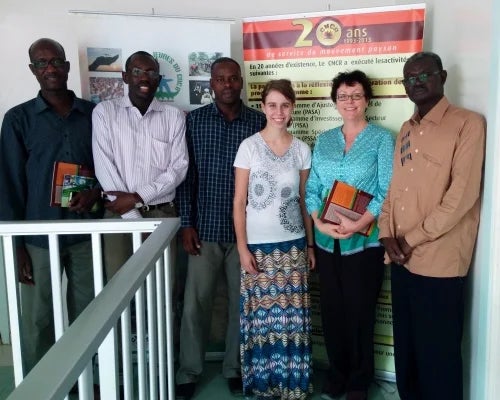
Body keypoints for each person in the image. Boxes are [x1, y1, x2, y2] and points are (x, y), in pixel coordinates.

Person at [378, 52, 485, 400]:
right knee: (407, 355)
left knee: (438, 360)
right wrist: (386, 234)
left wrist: (409, 240)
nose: (416, 83)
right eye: (409, 78)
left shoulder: (467, 124)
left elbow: (461, 198)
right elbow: (395, 190)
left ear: (443, 76)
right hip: (401, 260)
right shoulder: (407, 129)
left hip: (439, 264)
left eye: (424, 76)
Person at [0, 38, 101, 373]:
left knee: (88, 313)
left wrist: (98, 191)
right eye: (42, 63)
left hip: (87, 231)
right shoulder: (18, 119)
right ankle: (38, 384)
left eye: (56, 61)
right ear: (33, 70)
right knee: (37, 318)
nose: (50, 68)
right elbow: (10, 183)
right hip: (37, 233)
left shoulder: (93, 114)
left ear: (67, 66)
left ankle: (87, 379)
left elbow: (110, 166)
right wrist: (15, 246)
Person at [175, 57, 266, 400]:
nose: (227, 85)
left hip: (247, 234)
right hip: (205, 230)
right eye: (220, 79)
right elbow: (187, 177)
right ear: (210, 84)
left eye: (233, 79)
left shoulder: (258, 122)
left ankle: (235, 369)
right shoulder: (195, 122)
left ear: (241, 83)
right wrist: (187, 224)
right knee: (195, 305)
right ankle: (189, 372)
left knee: (240, 306)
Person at [305, 70, 394, 400]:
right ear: (335, 102)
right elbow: (313, 188)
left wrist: (359, 224)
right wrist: (318, 222)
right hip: (328, 241)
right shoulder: (325, 139)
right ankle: (338, 373)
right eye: (343, 96)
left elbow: (387, 190)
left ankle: (359, 378)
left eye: (356, 95)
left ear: (367, 100)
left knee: (360, 310)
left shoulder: (382, 139)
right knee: (331, 310)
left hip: (365, 241)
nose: (350, 102)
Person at [233, 79, 315, 400]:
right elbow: (239, 202)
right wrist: (242, 248)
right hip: (257, 250)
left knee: (291, 320)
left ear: (292, 107)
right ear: (263, 107)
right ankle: (264, 385)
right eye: (272, 105)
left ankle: (292, 385)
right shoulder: (249, 147)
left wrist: (309, 245)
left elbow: (304, 200)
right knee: (263, 320)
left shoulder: (302, 149)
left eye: (284, 105)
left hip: (293, 247)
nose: (278, 112)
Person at [92, 50, 188, 280]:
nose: (144, 78)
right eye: (137, 72)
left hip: (162, 215)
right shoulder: (105, 112)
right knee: (118, 288)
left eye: (151, 72)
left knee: (162, 289)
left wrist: (136, 197)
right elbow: (104, 166)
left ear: (158, 79)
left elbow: (178, 168)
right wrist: (134, 217)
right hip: (118, 216)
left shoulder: (173, 117)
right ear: (125, 77)